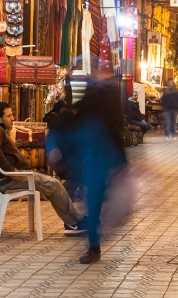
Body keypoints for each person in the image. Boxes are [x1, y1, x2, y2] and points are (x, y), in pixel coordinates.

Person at [47, 84, 129, 264]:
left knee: (94, 207)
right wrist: (121, 167)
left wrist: (54, 151)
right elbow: (116, 146)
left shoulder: (85, 121)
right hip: (94, 169)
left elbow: (57, 136)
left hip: (91, 169)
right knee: (95, 207)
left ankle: (93, 243)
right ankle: (94, 241)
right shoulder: (101, 122)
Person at [0, 101, 87, 234]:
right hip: (10, 179)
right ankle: (74, 223)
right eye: (9, 116)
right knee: (54, 184)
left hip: (9, 177)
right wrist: (10, 170)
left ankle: (73, 221)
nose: (13, 118)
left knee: (53, 185)